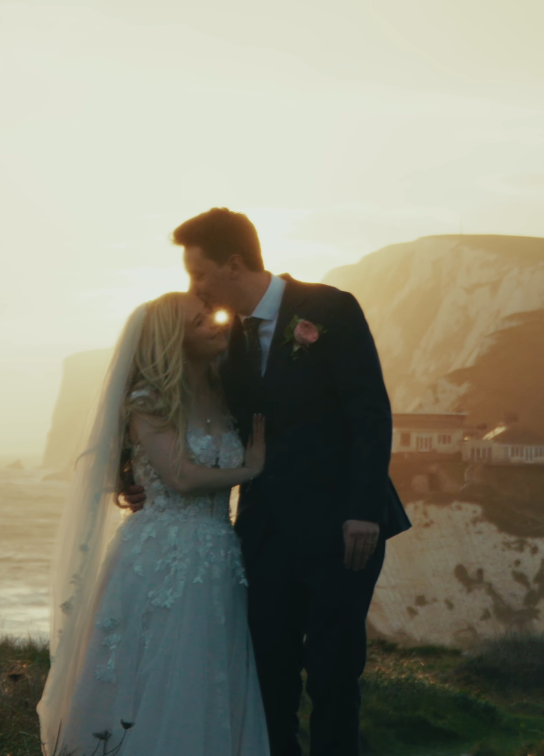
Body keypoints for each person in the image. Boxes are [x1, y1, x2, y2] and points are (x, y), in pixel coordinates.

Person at [126, 208, 412, 755]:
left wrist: (364, 511)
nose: (197, 289)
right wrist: (137, 479)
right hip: (263, 535)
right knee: (268, 679)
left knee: (333, 676)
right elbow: (174, 410)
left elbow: (369, 413)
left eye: (200, 274)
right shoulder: (222, 339)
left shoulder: (328, 308)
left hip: (342, 529)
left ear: (234, 263)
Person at [38, 292, 271, 756]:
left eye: (213, 313)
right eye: (199, 320)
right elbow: (180, 476)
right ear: (172, 340)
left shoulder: (226, 390)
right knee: (158, 672)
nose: (216, 323)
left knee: (208, 672)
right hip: (162, 557)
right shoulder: (149, 400)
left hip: (219, 555)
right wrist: (249, 470)